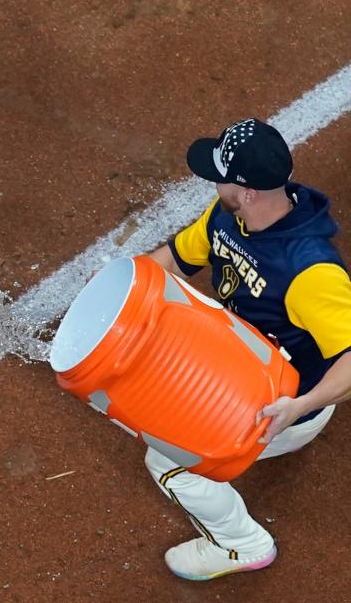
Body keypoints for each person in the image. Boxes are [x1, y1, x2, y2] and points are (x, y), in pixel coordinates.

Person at [145, 117, 351, 580]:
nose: (213, 182)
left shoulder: (310, 271)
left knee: (167, 462)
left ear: (248, 190)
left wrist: (299, 406)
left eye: (220, 175)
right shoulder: (228, 215)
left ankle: (241, 546)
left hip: (284, 401)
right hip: (242, 360)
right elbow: (175, 260)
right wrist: (124, 289)